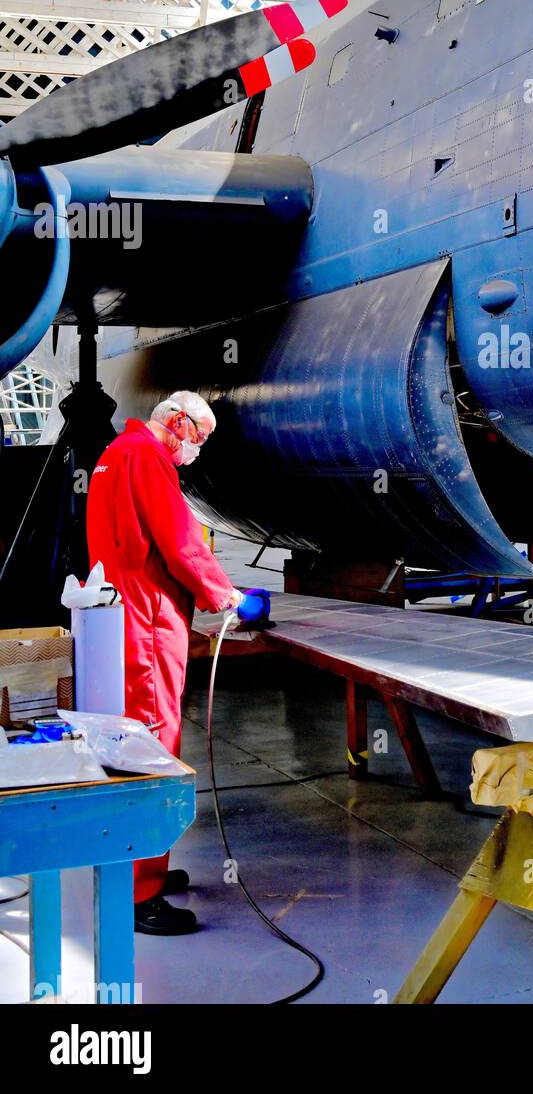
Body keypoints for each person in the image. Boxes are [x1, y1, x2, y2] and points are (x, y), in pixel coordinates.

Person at [86, 390, 270, 936]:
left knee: (135, 746)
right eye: (200, 439)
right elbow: (181, 540)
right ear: (181, 423)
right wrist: (227, 597)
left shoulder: (116, 453)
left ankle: (146, 868)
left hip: (125, 616)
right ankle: (139, 894)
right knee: (151, 746)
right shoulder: (147, 455)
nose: (197, 451)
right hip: (145, 623)